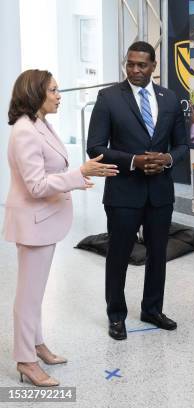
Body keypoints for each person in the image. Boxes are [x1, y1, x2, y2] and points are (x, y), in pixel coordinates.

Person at [3, 69, 118, 386]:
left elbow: (50, 173)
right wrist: (80, 172)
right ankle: (26, 360)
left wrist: (76, 181)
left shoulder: (40, 124)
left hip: (43, 223)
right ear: (35, 94)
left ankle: (37, 345)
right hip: (33, 224)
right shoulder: (25, 131)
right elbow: (36, 186)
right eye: (53, 90)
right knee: (28, 297)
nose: (59, 95)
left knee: (35, 294)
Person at [87, 41, 188, 341]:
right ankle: (116, 315)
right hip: (123, 193)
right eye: (130, 64)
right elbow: (95, 147)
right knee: (118, 255)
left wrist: (167, 159)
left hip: (159, 193)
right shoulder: (108, 98)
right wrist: (134, 161)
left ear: (153, 66)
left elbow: (182, 145)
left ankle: (152, 309)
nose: (134, 70)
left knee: (158, 254)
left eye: (141, 65)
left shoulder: (169, 99)